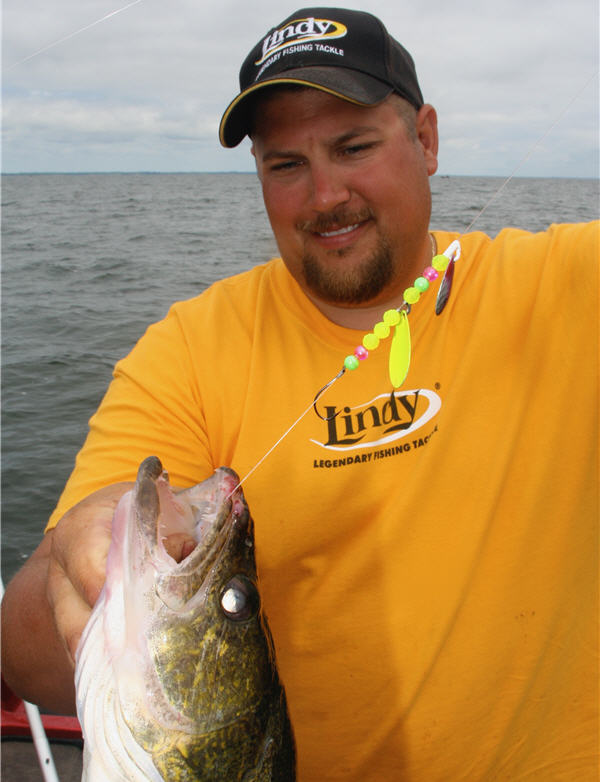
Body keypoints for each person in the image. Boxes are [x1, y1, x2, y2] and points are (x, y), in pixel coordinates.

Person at [2, 7, 598, 780]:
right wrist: (83, 564)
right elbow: (22, 658)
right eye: (284, 164)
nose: (324, 196)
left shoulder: (565, 286)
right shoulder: (187, 351)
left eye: (354, 147)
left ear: (425, 139)